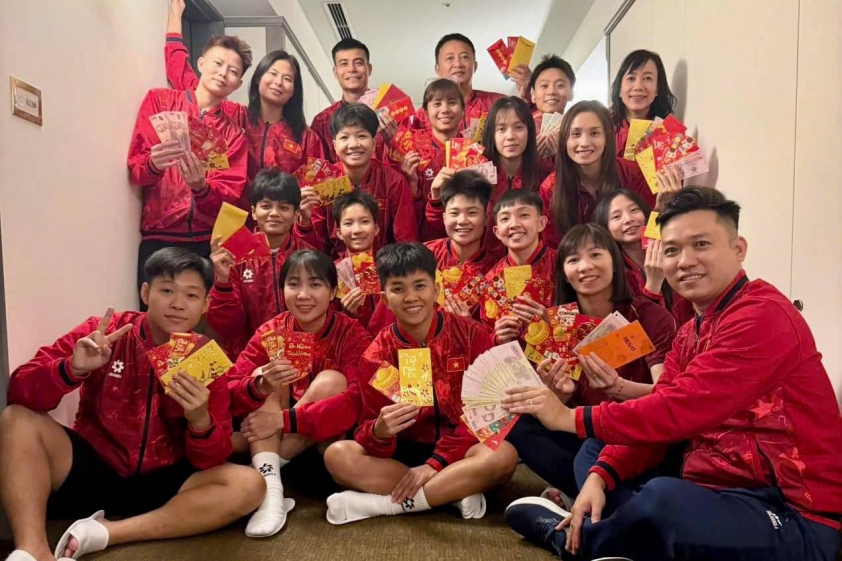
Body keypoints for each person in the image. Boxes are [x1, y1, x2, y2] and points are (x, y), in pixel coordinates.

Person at [502, 187, 842, 561]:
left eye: (701, 244)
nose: (685, 261)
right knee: (600, 454)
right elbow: (660, 419)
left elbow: (676, 409)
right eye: (673, 250)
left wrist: (569, 417)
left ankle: (584, 543)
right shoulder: (690, 329)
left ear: (738, 249)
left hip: (792, 512)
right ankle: (625, 529)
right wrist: (600, 475)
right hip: (711, 485)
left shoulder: (761, 315)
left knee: (662, 499)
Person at [1, 248, 264, 561]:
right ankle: (32, 550)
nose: (178, 303)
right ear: (146, 292)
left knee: (250, 485)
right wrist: (72, 368)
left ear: (206, 304)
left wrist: (200, 420)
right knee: (16, 419)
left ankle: (106, 533)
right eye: (167, 290)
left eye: (192, 295)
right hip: (94, 463)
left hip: (165, 479)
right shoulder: (107, 331)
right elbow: (20, 389)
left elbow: (213, 457)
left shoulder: (205, 356)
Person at [322, 243, 519, 524]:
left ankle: (389, 504)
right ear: (385, 299)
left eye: (419, 286)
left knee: (503, 455)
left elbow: (487, 415)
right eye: (398, 289)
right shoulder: (376, 356)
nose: (411, 297)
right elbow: (368, 430)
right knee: (338, 455)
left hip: (460, 448)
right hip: (403, 454)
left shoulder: (472, 335)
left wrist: (436, 463)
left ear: (436, 290)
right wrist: (379, 431)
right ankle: (452, 491)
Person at [503, 223, 676, 501]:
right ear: (564, 273)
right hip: (584, 430)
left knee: (593, 447)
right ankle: (589, 495)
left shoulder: (649, 316)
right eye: (573, 260)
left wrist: (619, 387)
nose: (585, 266)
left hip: (637, 433)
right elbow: (564, 411)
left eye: (596, 255)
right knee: (517, 422)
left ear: (615, 262)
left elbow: (667, 397)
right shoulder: (558, 323)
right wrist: (559, 395)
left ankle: (592, 500)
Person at [225, 249, 373, 537]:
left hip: (320, 446)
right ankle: (271, 492)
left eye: (315, 284)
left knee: (332, 381)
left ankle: (262, 470)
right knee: (265, 374)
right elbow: (231, 387)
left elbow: (358, 400)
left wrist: (283, 421)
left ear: (333, 292)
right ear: (282, 290)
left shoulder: (352, 334)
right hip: (270, 439)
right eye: (294, 284)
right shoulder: (272, 331)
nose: (303, 294)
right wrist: (259, 386)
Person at [129, 22, 250, 305]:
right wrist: (153, 164)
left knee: (199, 319)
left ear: (238, 84)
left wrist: (201, 187)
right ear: (201, 63)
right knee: (155, 315)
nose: (223, 73)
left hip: (206, 242)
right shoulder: (160, 101)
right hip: (159, 235)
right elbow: (136, 168)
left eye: (233, 71)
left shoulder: (234, 135)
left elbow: (229, 196)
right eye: (218, 63)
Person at [165, 0, 324, 199]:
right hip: (233, 213)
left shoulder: (306, 138)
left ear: (294, 90)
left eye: (287, 79)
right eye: (272, 74)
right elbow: (184, 76)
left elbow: (318, 189)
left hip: (281, 216)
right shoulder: (233, 116)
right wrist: (175, 17)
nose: (278, 82)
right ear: (257, 79)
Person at [206, 169, 313, 358]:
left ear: (296, 214)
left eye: (284, 207)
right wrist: (222, 280)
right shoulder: (234, 256)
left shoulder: (308, 255)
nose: (274, 214)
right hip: (249, 356)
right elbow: (226, 327)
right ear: (254, 212)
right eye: (266, 206)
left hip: (298, 354)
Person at [296, 103, 418, 258]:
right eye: (344, 137)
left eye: (361, 136)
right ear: (335, 146)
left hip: (384, 266)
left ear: (373, 143)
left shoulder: (394, 181)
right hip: (335, 268)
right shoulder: (323, 182)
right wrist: (304, 220)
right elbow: (312, 251)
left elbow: (406, 241)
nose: (353, 145)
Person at [539, 101, 655, 250]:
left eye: (594, 133)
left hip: (630, 260)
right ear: (564, 140)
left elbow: (650, 233)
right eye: (576, 134)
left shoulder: (632, 173)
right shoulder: (551, 187)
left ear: (607, 137)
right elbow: (553, 247)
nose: (584, 143)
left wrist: (662, 204)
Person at [593, 187, 694, 326]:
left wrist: (661, 206)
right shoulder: (613, 274)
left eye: (634, 210)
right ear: (606, 228)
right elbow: (632, 331)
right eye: (616, 217)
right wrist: (653, 286)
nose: (628, 219)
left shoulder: (672, 249)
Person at [480, 96, 553, 257]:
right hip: (486, 267)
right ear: (491, 134)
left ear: (529, 132)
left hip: (536, 265)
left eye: (518, 127)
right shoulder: (478, 176)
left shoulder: (546, 173)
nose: (510, 136)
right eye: (501, 129)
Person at [481, 190, 556, 335]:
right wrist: (497, 338)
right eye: (505, 218)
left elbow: (582, 321)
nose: (514, 224)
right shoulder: (491, 280)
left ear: (541, 223)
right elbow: (487, 333)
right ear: (497, 232)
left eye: (524, 215)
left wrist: (551, 320)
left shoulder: (563, 265)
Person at [402, 78, 466, 239]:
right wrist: (412, 185)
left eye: (452, 102)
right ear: (425, 113)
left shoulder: (473, 152)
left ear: (463, 110)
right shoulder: (413, 152)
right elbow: (405, 215)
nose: (445, 110)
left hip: (465, 237)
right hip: (426, 241)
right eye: (437, 104)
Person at [310, 38, 393, 162]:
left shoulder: (391, 111)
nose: (351, 69)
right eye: (344, 64)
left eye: (358, 63)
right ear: (335, 72)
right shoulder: (322, 121)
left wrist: (395, 140)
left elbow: (411, 156)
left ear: (369, 68)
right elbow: (317, 168)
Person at [411, 33, 504, 132]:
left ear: (475, 66)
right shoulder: (422, 116)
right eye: (450, 58)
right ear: (437, 70)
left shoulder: (498, 103)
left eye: (464, 57)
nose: (458, 64)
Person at [331, 191, 391, 335]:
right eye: (348, 223)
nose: (357, 230)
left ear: (376, 228)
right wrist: (345, 315)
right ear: (339, 232)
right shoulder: (332, 272)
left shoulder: (392, 267)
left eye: (364, 222)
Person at [609, 49, 677, 158]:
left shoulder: (670, 134)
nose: (638, 87)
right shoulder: (603, 127)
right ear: (620, 89)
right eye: (631, 78)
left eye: (647, 78)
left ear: (657, 89)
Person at [527, 55, 576, 160]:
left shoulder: (580, 130)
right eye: (544, 86)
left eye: (560, 85)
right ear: (533, 95)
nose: (552, 92)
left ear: (571, 93)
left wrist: (563, 156)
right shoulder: (521, 130)